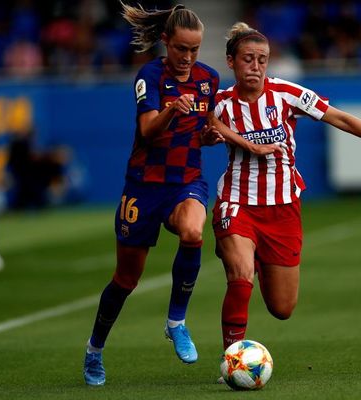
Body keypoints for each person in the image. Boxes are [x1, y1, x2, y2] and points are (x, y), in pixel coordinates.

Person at [211, 22, 361, 353]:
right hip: (237, 201)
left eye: (262, 59)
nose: (255, 66)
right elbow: (198, 132)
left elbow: (339, 118)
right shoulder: (219, 104)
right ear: (231, 62)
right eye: (248, 59)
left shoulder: (286, 93)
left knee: (282, 308)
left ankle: (257, 257)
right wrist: (208, 136)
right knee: (240, 275)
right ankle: (232, 357)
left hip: (283, 208)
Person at [82, 2, 228, 386]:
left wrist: (210, 136)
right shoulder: (150, 75)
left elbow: (202, 130)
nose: (187, 57)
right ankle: (94, 349)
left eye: (194, 49)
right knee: (126, 280)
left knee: (193, 232)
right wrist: (172, 109)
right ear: (166, 41)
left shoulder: (209, 79)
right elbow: (148, 131)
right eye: (181, 48)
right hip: (144, 187)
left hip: (185, 182)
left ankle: (176, 321)